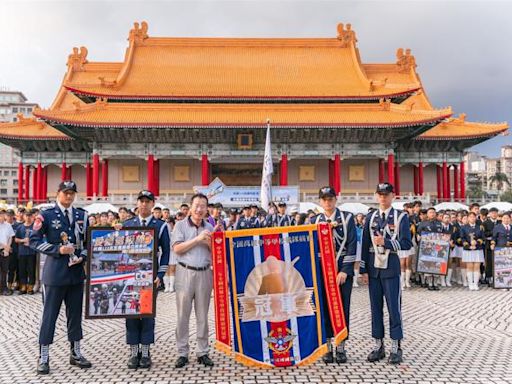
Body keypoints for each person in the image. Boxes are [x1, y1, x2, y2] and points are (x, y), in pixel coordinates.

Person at [30, 181, 91, 375]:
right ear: (58, 194)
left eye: (72, 193)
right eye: (66, 193)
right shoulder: (46, 215)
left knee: (75, 316)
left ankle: (76, 353)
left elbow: (88, 242)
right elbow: (34, 240)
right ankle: (44, 357)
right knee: (50, 316)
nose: (69, 197)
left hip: (76, 274)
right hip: (55, 274)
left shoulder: (83, 215)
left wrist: (82, 256)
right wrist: (57, 250)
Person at [361, 182, 412, 365]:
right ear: (376, 196)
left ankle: (395, 347)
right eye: (380, 194)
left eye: (386, 194)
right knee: (375, 309)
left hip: (390, 265)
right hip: (374, 268)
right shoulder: (370, 217)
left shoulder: (401, 217)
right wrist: (363, 269)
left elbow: (407, 243)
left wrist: (387, 242)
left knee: (393, 309)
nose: (383, 197)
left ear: (393, 196)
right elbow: (364, 244)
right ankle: (378, 345)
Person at [119, 190, 170, 369]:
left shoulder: (160, 226)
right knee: (131, 313)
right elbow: (120, 252)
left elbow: (166, 252)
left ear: (152, 204)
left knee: (147, 314)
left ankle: (146, 352)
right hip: (130, 277)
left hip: (150, 277)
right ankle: (134, 352)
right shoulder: (127, 224)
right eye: (141, 201)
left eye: (148, 202)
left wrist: (160, 275)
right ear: (137, 203)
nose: (144, 204)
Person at [172, 193, 217, 368]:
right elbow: (177, 249)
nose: (199, 209)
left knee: (202, 316)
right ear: (190, 207)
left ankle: (202, 351)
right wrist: (198, 239)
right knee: (183, 315)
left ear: (207, 209)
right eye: (196, 205)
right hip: (185, 273)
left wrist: (209, 242)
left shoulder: (210, 227)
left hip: (205, 274)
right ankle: (182, 352)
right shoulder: (181, 225)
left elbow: (216, 252)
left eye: (203, 206)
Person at [314, 186, 357, 364]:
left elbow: (353, 244)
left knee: (342, 308)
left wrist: (345, 270)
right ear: (320, 201)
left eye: (330, 199)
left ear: (335, 199)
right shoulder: (315, 220)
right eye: (324, 199)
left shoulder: (347, 218)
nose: (327, 202)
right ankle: (327, 346)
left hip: (341, 273)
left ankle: (341, 346)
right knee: (324, 308)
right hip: (323, 273)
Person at [460, 211, 485, 291]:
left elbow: (482, 237)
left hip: (478, 248)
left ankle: (475, 283)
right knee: (470, 266)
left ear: (476, 218)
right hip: (468, 249)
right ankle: (470, 283)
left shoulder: (480, 227)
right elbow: (462, 238)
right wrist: (469, 245)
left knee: (477, 266)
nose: (472, 218)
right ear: (468, 218)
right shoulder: (464, 227)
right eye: (470, 217)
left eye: (474, 217)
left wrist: (476, 243)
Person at [15, 209, 37, 294]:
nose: (28, 218)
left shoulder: (35, 227)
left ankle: (30, 287)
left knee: (31, 270)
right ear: (24, 216)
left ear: (32, 217)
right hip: (22, 252)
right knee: (22, 270)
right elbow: (16, 239)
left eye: (30, 216)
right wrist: (22, 240)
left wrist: (31, 242)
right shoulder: (20, 227)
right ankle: (23, 286)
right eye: (26, 216)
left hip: (31, 252)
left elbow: (38, 238)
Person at [482, 207, 499, 286]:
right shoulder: (485, 223)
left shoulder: (500, 222)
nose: (494, 214)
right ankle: (489, 277)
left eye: (495, 212)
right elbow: (484, 234)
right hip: (489, 245)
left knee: (499, 262)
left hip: (499, 245)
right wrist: (493, 232)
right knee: (489, 261)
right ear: (489, 214)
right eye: (492, 213)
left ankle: (498, 277)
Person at [0, 209, 15, 295]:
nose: (2, 217)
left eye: (3, 215)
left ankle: (4, 288)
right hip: (2, 247)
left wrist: (7, 247)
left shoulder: (8, 225)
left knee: (5, 270)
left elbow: (10, 237)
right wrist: (4, 246)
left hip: (5, 251)